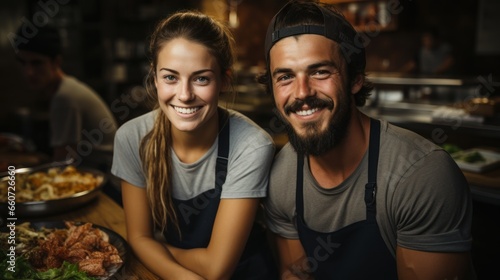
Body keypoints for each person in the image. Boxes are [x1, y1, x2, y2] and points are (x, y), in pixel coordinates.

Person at [258, 1, 474, 279]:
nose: (302, 92)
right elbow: (294, 275)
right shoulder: (282, 175)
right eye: (285, 76)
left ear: (355, 79)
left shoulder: (420, 175)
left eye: (320, 71)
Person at [111, 11, 277, 279]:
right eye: (170, 77)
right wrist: (154, 252)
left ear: (224, 80)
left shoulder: (251, 146)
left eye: (201, 78)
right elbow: (140, 238)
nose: (185, 95)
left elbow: (216, 269)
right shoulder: (132, 138)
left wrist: (154, 248)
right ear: (154, 77)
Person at [13, 24, 117, 169]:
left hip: (107, 181)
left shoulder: (64, 97)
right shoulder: (65, 89)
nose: (28, 72)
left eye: (37, 63)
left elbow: (62, 164)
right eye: (22, 63)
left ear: (56, 62)